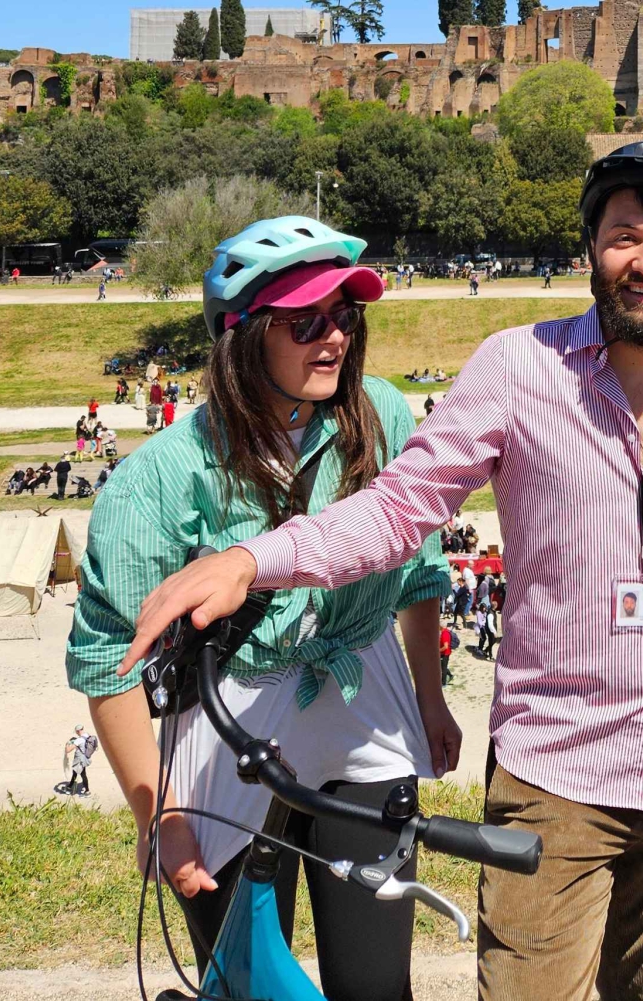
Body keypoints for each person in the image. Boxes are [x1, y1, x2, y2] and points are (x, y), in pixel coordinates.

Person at [114, 141, 643, 1001]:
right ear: (590, 252)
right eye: (624, 237)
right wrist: (253, 558)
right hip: (558, 774)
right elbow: (398, 511)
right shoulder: (518, 368)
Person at [65, 216, 458, 1000]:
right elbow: (108, 658)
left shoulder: (382, 414)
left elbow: (417, 571)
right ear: (240, 336)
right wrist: (160, 811)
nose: (334, 337)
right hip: (227, 716)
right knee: (250, 982)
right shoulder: (162, 476)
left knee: (378, 985)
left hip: (360, 699)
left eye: (346, 315)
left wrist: (430, 694)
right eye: (305, 320)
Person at [64, 725, 97, 796]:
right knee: (75, 772)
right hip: (85, 757)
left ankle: (87, 791)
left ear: (78, 731)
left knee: (83, 774)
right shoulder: (87, 735)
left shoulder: (79, 740)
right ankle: (70, 786)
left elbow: (68, 750)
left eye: (76, 732)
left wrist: (67, 744)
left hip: (80, 759)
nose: (76, 733)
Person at [439, 620, 454, 686]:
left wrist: (438, 650)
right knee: (443, 667)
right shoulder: (443, 632)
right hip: (444, 653)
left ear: (441, 626)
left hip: (445, 654)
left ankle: (443, 683)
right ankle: (450, 675)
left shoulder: (445, 633)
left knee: (443, 668)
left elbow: (445, 646)